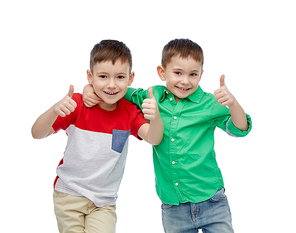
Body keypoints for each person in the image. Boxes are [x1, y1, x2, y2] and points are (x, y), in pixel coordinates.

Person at [83, 38, 252, 233]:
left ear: (201, 75)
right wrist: (88, 88)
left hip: (211, 200)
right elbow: (114, 92)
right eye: (178, 73)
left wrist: (232, 103)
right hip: (173, 205)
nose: (185, 81)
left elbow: (241, 128)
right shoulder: (151, 95)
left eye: (193, 74)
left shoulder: (209, 103)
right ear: (162, 72)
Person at [31, 40, 163, 233]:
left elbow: (154, 139)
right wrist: (54, 110)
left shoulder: (130, 112)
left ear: (130, 78)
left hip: (104, 202)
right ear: (90, 77)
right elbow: (36, 133)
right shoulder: (77, 103)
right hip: (69, 194)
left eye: (119, 77)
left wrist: (156, 118)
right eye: (103, 76)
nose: (111, 85)